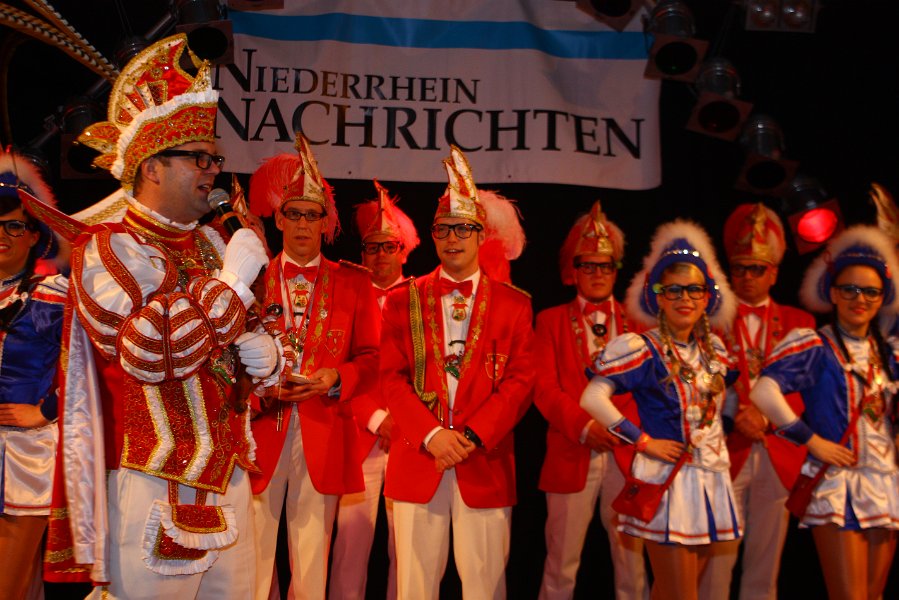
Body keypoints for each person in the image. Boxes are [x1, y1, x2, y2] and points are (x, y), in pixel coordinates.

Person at [38, 34, 278, 598]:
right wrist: (230, 286)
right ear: (151, 167)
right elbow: (148, 351)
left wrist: (268, 358)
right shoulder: (109, 247)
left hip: (229, 476)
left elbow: (249, 336)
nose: (213, 171)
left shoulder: (214, 244)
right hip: (152, 480)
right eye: (199, 158)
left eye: (215, 159)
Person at [380, 146, 535, 600]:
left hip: (483, 460)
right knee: (414, 590)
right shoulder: (402, 299)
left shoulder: (514, 304)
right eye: (443, 228)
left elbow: (521, 382)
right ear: (432, 235)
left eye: (463, 228)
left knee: (485, 590)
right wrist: (432, 436)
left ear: (481, 234)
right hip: (418, 458)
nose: (453, 238)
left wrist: (470, 435)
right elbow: (391, 377)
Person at [247, 135, 381, 600]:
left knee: (311, 559)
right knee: (254, 558)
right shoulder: (252, 278)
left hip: (323, 427)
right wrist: (260, 389)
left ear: (325, 223)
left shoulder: (355, 283)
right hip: (261, 428)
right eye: (295, 214)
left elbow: (371, 358)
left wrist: (337, 377)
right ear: (279, 218)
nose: (303, 224)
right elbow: (225, 358)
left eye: (312, 215)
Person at [580, 220, 739, 600]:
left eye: (694, 289)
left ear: (706, 297)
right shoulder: (642, 348)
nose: (685, 298)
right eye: (674, 290)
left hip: (710, 477)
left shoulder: (715, 351)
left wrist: (720, 431)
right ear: (660, 298)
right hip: (668, 480)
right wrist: (642, 441)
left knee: (671, 591)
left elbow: (727, 397)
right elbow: (593, 398)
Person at [750, 225, 899, 600]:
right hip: (838, 481)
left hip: (885, 479)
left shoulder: (889, 353)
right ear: (833, 293)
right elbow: (763, 391)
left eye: (870, 291)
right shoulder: (815, 345)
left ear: (882, 297)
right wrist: (812, 441)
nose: (859, 299)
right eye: (849, 289)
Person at [700, 203, 815, 600]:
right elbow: (701, 381)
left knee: (765, 566)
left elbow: (804, 386)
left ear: (774, 273)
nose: (747, 277)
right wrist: (735, 415)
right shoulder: (710, 320)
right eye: (740, 269)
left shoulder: (800, 323)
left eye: (756, 269)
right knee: (716, 560)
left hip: (777, 449)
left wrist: (766, 418)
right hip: (725, 449)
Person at [535, 200, 648, 600]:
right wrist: (585, 427)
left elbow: (651, 389)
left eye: (606, 266)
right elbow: (543, 388)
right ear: (574, 269)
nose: (598, 274)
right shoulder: (549, 320)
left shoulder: (640, 321)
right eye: (588, 265)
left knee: (632, 563)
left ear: (617, 270)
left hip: (628, 452)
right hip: (571, 449)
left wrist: (621, 429)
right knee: (561, 564)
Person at [329, 180, 420, 600]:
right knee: (349, 547)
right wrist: (376, 417)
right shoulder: (346, 297)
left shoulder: (422, 297)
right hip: (358, 432)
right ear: (362, 253)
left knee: (409, 548)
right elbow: (340, 366)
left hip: (411, 438)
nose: (380, 255)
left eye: (389, 247)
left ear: (403, 251)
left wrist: (404, 419)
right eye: (372, 248)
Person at [0, 151, 66, 600]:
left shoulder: (53, 296)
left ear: (33, 236)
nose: (2, 235)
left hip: (23, 457)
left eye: (14, 226)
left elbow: (94, 364)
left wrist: (45, 411)